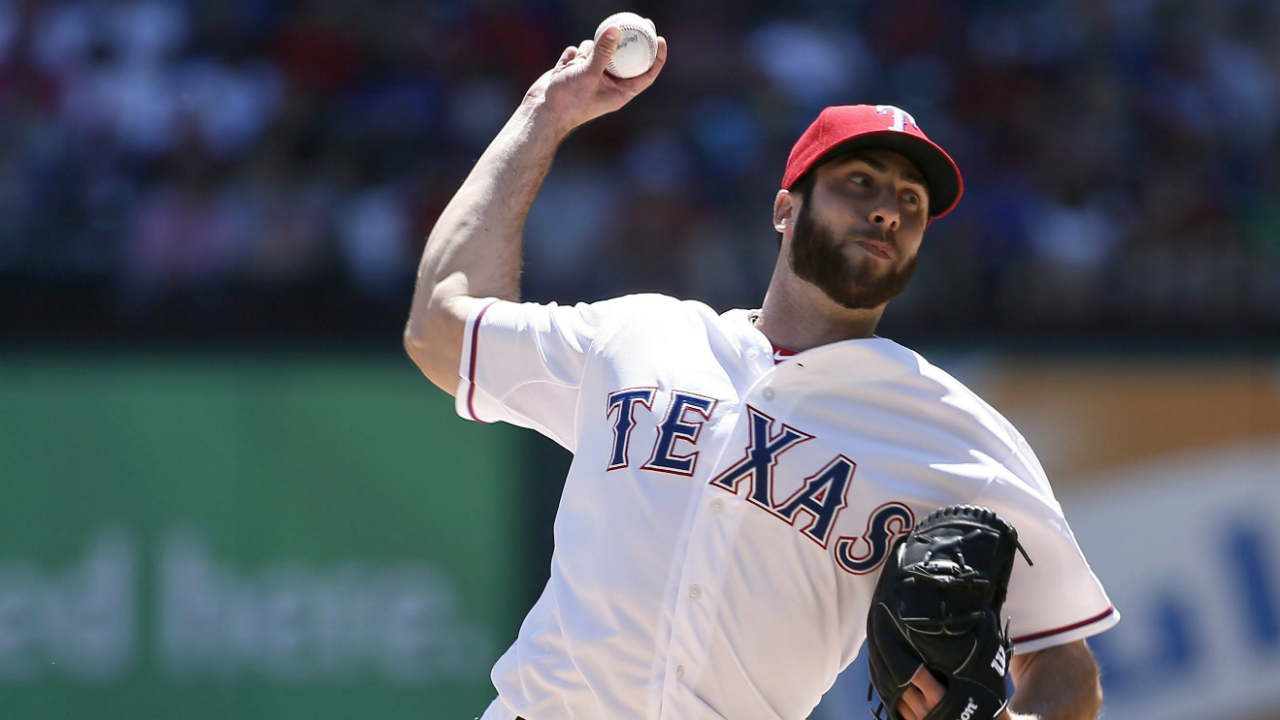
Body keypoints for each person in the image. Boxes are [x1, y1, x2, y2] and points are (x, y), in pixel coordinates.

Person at [404, 27, 1118, 720]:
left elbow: (1064, 666)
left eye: (911, 202)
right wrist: (544, 113)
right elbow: (439, 330)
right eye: (860, 181)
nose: (886, 210)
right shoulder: (641, 334)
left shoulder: (953, 432)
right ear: (785, 208)